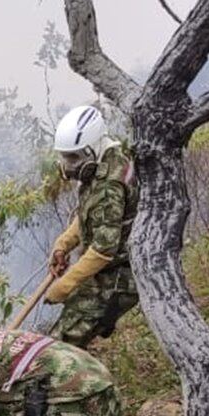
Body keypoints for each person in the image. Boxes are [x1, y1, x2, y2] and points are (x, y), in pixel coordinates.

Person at [45, 105, 138, 348]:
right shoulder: (106, 161)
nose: (68, 164)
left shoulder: (110, 184)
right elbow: (91, 213)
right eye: (65, 156)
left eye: (74, 157)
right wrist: (64, 244)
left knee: (61, 343)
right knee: (64, 331)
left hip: (120, 276)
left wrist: (64, 286)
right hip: (106, 271)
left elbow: (103, 251)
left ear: (93, 147)